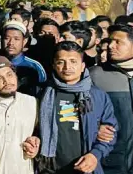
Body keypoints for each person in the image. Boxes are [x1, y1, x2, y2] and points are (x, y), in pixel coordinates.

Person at [37, 42, 117, 174]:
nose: (67, 67)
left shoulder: (98, 95)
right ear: (54, 65)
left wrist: (95, 155)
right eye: (61, 62)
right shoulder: (42, 93)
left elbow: (110, 133)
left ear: (82, 66)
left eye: (73, 61)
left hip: (86, 168)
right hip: (49, 168)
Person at [89, 24, 133, 174]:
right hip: (108, 163)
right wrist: (95, 128)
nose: (110, 46)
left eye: (118, 42)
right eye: (110, 41)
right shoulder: (95, 76)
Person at [0, 56, 39, 174]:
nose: (7, 81)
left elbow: (40, 134)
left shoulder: (32, 103)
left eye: (9, 75)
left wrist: (36, 142)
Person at [2, 21, 47, 96]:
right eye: (7, 38)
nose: (10, 43)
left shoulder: (35, 66)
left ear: (24, 41)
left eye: (16, 39)